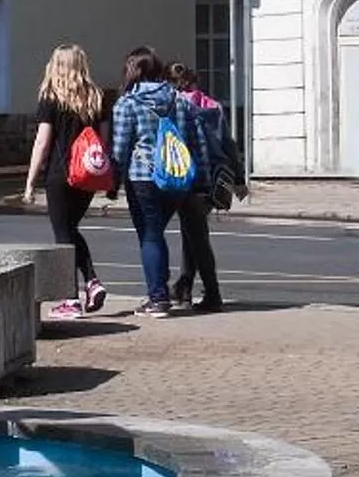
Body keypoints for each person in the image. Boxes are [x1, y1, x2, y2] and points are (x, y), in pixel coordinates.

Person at [110, 47, 215, 317]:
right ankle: (160, 291)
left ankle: (158, 298)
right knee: (156, 234)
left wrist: (113, 182)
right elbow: (198, 141)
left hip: (143, 178)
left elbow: (120, 148)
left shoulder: (127, 103)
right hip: (177, 178)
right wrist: (202, 180)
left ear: (133, 71)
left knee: (150, 235)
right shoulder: (179, 100)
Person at [23, 44, 112, 319]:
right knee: (71, 229)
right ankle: (93, 282)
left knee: (63, 236)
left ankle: (71, 300)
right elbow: (105, 139)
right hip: (88, 173)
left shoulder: (51, 97)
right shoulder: (97, 97)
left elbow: (43, 142)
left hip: (60, 175)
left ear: (56, 65)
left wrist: (30, 181)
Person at [166, 61, 239, 313]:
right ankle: (185, 285)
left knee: (195, 235)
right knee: (194, 233)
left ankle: (207, 292)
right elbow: (228, 145)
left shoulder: (176, 106)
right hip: (213, 178)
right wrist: (238, 180)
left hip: (186, 176)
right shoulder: (213, 107)